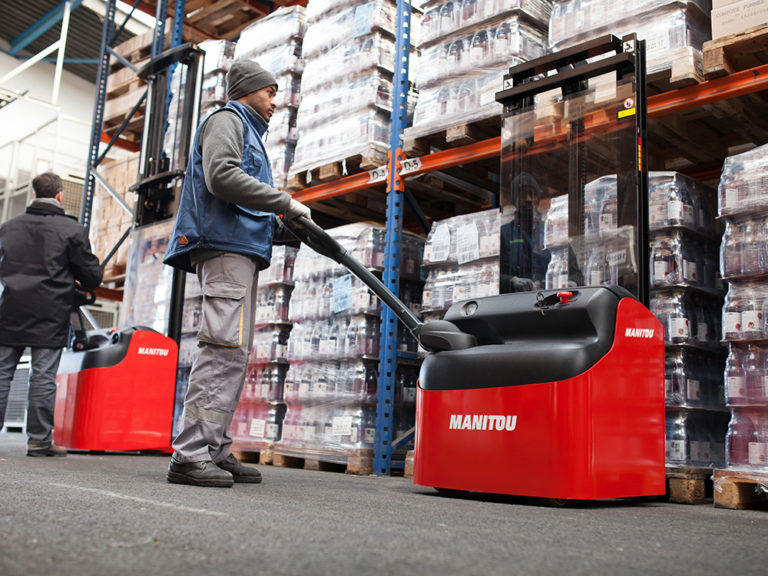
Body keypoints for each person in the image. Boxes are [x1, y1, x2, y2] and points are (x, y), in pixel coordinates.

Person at [164, 60, 311, 488]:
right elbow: (222, 177)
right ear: (248, 89)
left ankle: (214, 448)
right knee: (222, 348)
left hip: (239, 249)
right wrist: (282, 201)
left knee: (234, 353)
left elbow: (244, 205)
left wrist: (284, 226)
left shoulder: (249, 132)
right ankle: (190, 454)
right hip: (225, 250)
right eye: (269, 92)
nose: (274, 101)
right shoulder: (227, 120)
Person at [0, 172, 102, 456]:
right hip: (50, 312)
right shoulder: (71, 230)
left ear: (34, 194)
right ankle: (39, 440)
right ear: (59, 195)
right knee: (43, 377)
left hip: (10, 310)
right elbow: (92, 276)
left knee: (1, 373)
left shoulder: (8, 228)